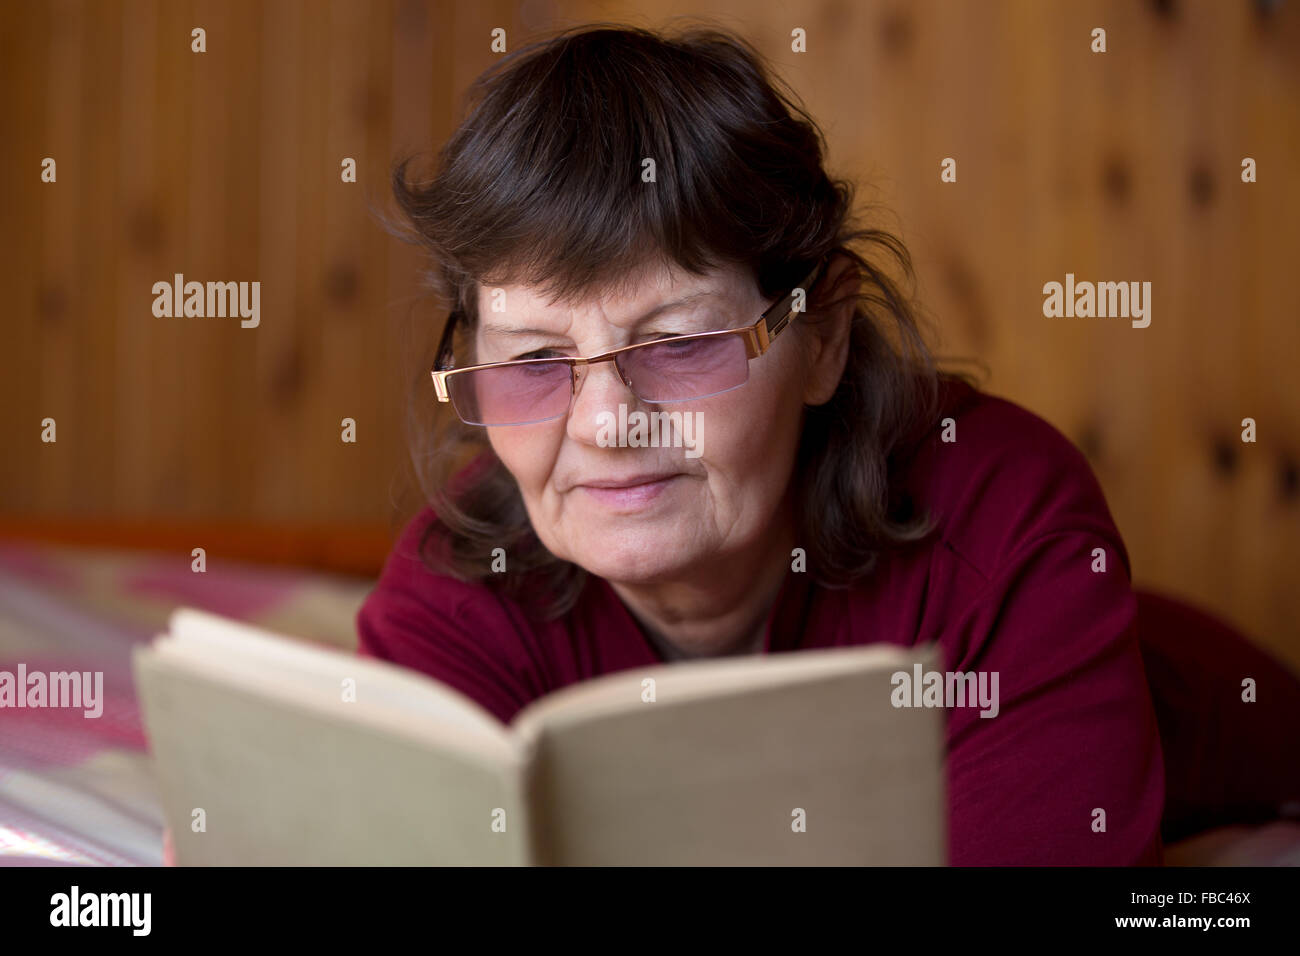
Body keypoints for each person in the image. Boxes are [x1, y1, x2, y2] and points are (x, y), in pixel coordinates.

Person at [355, 22, 1165, 865]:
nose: (604, 424)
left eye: (676, 346)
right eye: (533, 360)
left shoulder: (1008, 531)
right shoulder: (460, 589)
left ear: (823, 338)